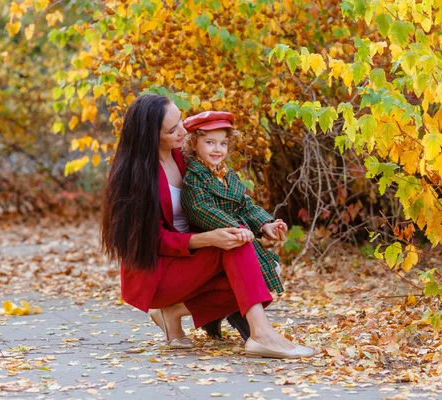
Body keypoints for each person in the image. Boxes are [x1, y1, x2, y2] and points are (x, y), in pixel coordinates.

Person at [100, 94, 314, 359]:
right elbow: (151, 241)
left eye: (180, 121)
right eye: (172, 129)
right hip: (158, 272)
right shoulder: (135, 178)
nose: (183, 130)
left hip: (192, 263)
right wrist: (208, 239)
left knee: (258, 271)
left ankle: (174, 312)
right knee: (235, 244)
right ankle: (262, 335)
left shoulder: (184, 159)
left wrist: (264, 225)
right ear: (149, 136)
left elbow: (233, 201)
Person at [180, 111, 287, 296]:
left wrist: (265, 224)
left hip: (237, 237)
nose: (217, 149)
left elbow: (244, 204)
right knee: (256, 275)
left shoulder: (227, 174)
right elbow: (201, 209)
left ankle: (238, 315)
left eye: (223, 143)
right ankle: (192, 311)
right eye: (210, 142)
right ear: (193, 144)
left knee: (271, 269)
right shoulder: (194, 177)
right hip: (215, 244)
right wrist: (236, 228)